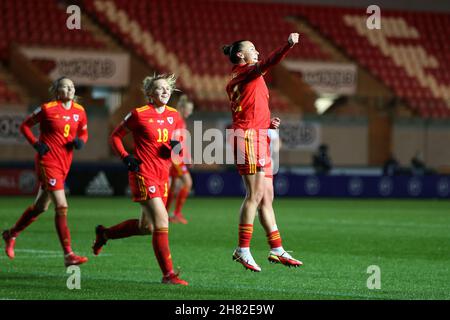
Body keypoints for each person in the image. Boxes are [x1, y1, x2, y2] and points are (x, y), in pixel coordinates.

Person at [92, 74, 188, 285]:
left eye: (167, 89)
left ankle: (105, 234)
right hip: (143, 173)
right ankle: (169, 275)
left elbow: (178, 144)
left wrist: (175, 148)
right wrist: (126, 157)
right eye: (160, 89)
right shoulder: (139, 114)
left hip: (163, 174)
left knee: (147, 228)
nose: (165, 91)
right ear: (149, 94)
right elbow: (115, 136)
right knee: (162, 221)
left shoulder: (173, 115)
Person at [223, 33, 303, 272]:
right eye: (253, 48)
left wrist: (267, 123)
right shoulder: (245, 72)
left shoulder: (247, 77)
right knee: (254, 196)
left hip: (258, 135)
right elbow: (269, 62)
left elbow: (250, 107)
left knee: (267, 197)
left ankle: (277, 249)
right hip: (247, 138)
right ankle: (242, 249)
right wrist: (287, 44)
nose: (257, 51)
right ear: (241, 55)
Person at [2, 77, 89, 267]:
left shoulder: (79, 111)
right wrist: (36, 144)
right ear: (57, 91)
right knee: (62, 204)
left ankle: (11, 234)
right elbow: (25, 125)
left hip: (65, 163)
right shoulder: (47, 109)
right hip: (47, 161)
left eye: (72, 87)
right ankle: (69, 255)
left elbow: (83, 131)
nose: (70, 89)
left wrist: (81, 141)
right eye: (65, 87)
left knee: (40, 207)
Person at [166, 95, 194, 224]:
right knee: (187, 183)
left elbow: (182, 141)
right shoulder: (176, 119)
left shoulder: (181, 120)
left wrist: (188, 157)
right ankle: (176, 213)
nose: (190, 112)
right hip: (175, 158)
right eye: (188, 109)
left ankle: (165, 214)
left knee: (173, 187)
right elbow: (173, 140)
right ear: (182, 107)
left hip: (178, 158)